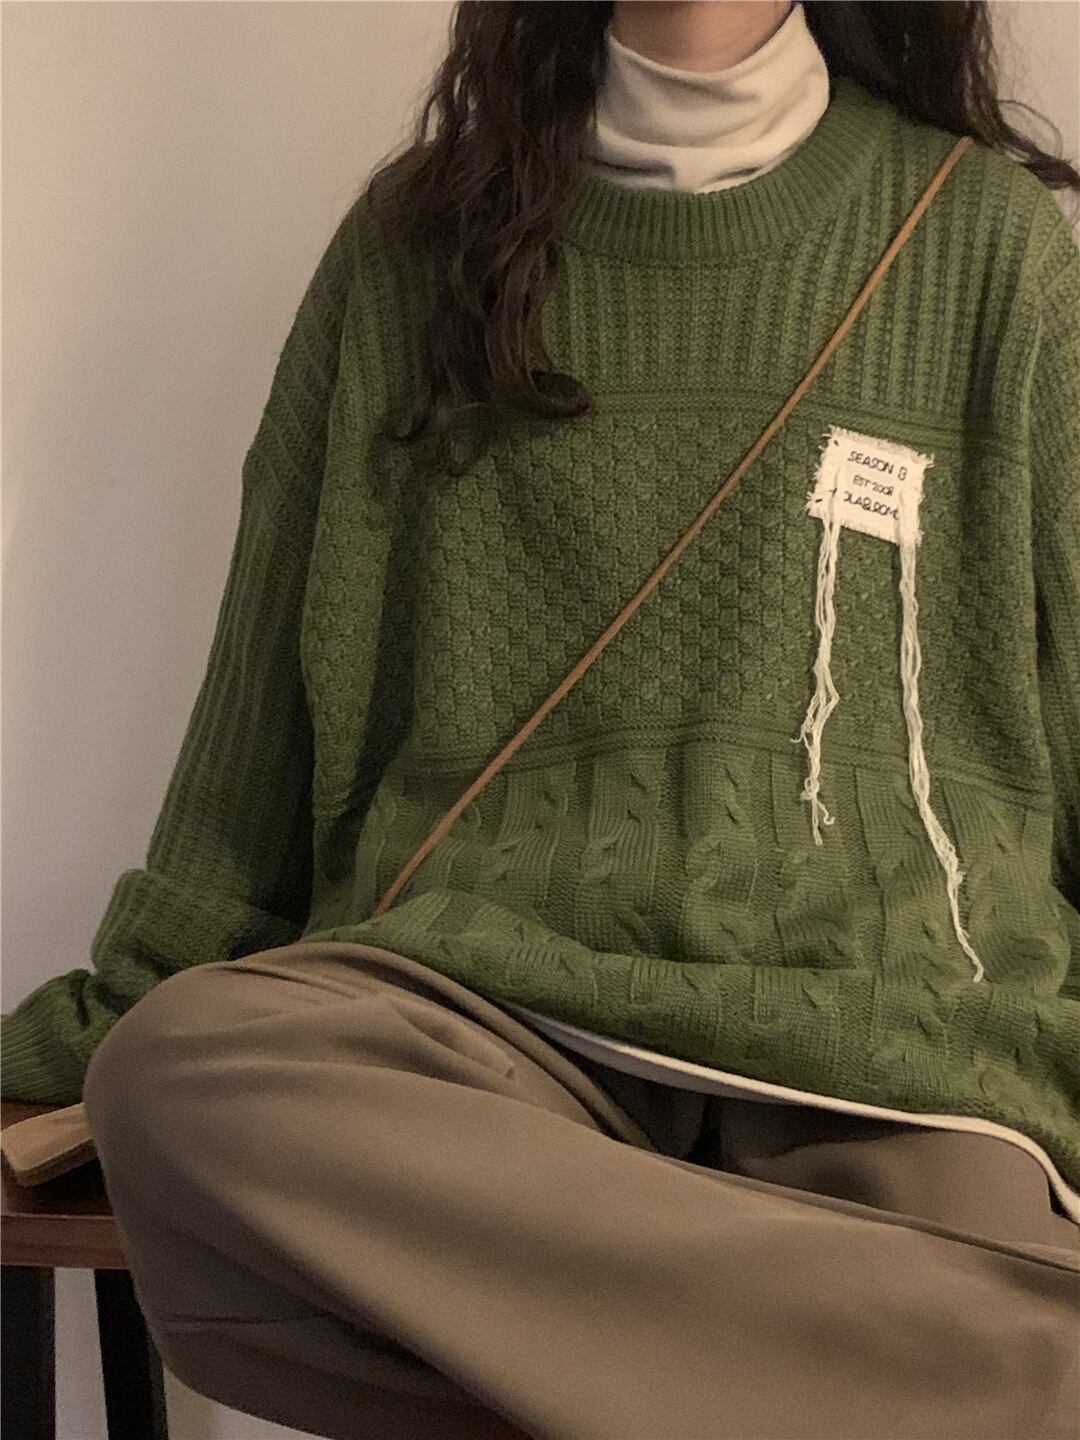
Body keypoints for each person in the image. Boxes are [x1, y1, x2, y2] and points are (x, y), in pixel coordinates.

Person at [4, 2, 1079, 1436]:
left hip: (897, 1053)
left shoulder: (988, 247)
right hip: (484, 1041)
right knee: (175, 1078)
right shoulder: (410, 252)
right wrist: (119, 1013)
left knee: (969, 1224)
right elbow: (257, 732)